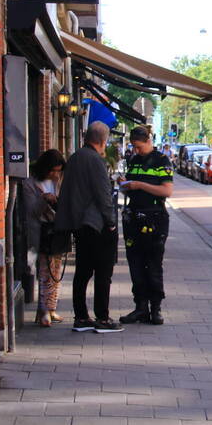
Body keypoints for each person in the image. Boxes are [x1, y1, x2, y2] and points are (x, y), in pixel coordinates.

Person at [55, 121, 123, 334]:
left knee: (82, 272)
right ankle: (102, 318)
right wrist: (111, 223)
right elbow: (103, 195)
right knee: (103, 272)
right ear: (103, 141)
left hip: (78, 224)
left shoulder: (75, 157)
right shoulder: (95, 160)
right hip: (96, 224)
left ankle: (81, 317)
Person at [119, 126, 174, 325]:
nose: (136, 150)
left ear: (148, 141)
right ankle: (140, 307)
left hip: (155, 218)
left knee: (153, 264)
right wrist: (125, 185)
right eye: (134, 147)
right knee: (135, 264)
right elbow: (131, 189)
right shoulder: (133, 160)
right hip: (134, 217)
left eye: (139, 146)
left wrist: (139, 185)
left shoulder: (161, 161)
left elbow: (167, 191)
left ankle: (156, 308)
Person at [22, 149, 67, 327]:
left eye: (58, 170)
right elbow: (31, 211)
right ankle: (42, 311)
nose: (55, 174)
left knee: (56, 271)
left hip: (57, 231)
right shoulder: (30, 184)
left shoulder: (61, 182)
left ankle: (52, 307)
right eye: (52, 170)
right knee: (43, 271)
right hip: (40, 232)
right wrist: (44, 200)